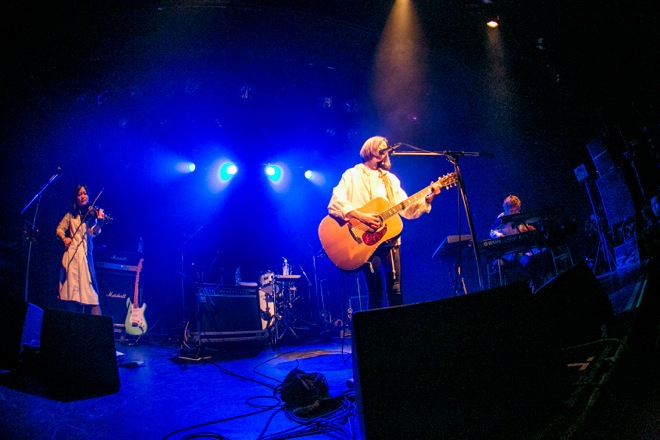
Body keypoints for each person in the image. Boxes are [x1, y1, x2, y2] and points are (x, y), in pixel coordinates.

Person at [327, 135, 442, 310]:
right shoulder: (351, 175)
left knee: (395, 289)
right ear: (370, 148)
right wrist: (361, 216)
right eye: (380, 146)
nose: (384, 149)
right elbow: (335, 204)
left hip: (389, 239)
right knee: (376, 291)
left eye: (385, 148)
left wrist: (429, 197)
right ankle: (376, 327)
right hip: (364, 241)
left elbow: (406, 209)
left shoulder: (390, 179)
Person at [56, 184, 105, 315]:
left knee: (92, 296)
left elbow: (93, 232)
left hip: (85, 258)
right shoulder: (70, 215)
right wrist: (64, 238)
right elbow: (60, 228)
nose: (83, 196)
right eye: (79, 194)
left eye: (85, 193)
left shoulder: (91, 215)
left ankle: (99, 326)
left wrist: (100, 223)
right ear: (76, 198)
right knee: (70, 295)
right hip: (71, 257)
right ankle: (72, 325)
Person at [489, 195, 549, 289]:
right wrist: (500, 235)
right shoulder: (502, 217)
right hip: (507, 251)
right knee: (522, 257)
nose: (514, 212)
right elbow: (492, 232)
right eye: (512, 210)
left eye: (516, 209)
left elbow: (521, 228)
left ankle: (537, 283)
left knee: (535, 255)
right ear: (506, 209)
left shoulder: (519, 216)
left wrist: (528, 228)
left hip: (519, 247)